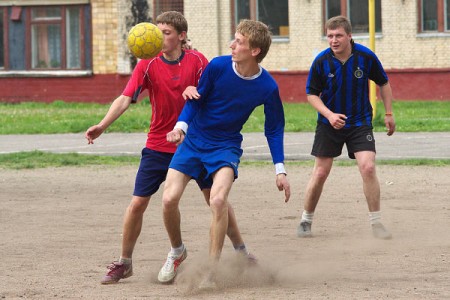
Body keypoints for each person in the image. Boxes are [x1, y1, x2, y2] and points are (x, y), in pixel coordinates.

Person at [85, 11, 253, 285]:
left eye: (166, 33)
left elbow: (214, 92)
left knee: (217, 201)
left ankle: (242, 252)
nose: (159, 37)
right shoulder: (147, 65)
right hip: (158, 144)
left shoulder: (198, 61)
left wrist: (195, 90)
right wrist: (102, 126)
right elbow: (125, 98)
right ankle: (126, 262)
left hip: (196, 144)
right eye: (157, 32)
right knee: (138, 203)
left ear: (181, 36)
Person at [157, 19, 291, 288]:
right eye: (234, 39)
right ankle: (177, 252)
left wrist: (280, 170)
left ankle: (210, 270)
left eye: (239, 41)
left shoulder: (267, 87)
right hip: (194, 141)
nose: (232, 45)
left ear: (254, 51)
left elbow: (274, 129)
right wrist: (180, 128)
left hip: (226, 147)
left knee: (218, 202)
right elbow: (196, 100)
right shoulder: (217, 66)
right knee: (169, 199)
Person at [297, 15, 396, 240]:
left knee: (368, 167)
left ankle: (376, 223)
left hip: (359, 123)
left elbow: (384, 83)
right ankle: (306, 219)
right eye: (330, 35)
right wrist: (330, 115)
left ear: (349, 36)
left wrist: (389, 113)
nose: (333, 40)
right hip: (328, 124)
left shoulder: (366, 57)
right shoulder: (321, 61)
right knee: (321, 172)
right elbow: (311, 95)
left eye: (338, 35)